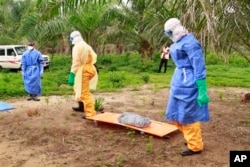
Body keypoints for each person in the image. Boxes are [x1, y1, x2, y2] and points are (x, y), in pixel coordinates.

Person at [163, 18, 210, 156]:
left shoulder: (191, 43)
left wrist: (202, 89)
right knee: (177, 114)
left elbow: (199, 66)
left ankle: (195, 146)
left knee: (188, 115)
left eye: (169, 33)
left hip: (189, 82)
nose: (168, 36)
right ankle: (191, 138)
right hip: (178, 81)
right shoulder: (178, 42)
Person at [67, 30, 98, 119]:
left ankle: (90, 114)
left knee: (84, 93)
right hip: (90, 68)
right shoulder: (86, 45)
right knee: (78, 88)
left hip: (83, 70)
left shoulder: (77, 47)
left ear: (72, 38)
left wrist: (72, 74)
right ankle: (81, 106)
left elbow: (76, 62)